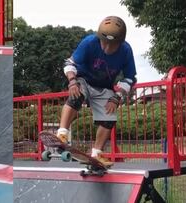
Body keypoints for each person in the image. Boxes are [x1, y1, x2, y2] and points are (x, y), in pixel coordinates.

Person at [57, 16, 137, 167]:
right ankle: (62, 133)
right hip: (84, 80)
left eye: (112, 45)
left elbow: (130, 78)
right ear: (99, 37)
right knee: (76, 95)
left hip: (105, 87)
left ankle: (96, 154)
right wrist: (72, 81)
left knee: (109, 118)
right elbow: (70, 62)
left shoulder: (126, 50)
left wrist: (117, 97)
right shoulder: (89, 42)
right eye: (104, 43)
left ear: (120, 43)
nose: (107, 48)